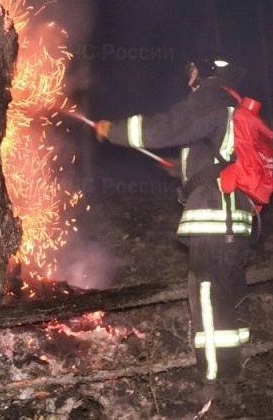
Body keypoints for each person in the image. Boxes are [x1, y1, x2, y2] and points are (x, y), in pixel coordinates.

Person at [96, 58, 253, 382]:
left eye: (192, 69)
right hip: (236, 216)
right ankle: (238, 364)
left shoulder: (209, 97)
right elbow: (219, 158)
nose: (189, 76)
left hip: (214, 216)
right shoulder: (231, 105)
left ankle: (216, 379)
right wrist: (180, 168)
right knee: (228, 291)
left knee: (208, 294)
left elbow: (166, 127)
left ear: (207, 71)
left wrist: (115, 131)